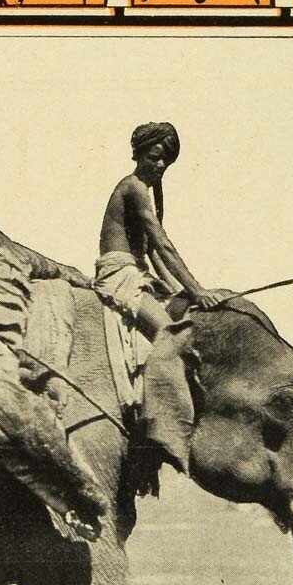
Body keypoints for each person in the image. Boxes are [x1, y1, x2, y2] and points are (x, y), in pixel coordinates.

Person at [95, 121, 228, 473]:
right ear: (138, 154)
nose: (160, 166)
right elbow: (163, 244)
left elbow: (153, 253)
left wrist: (181, 290)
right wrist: (198, 289)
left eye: (166, 161)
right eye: (155, 158)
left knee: (182, 311)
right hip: (120, 275)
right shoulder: (134, 188)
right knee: (171, 337)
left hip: (138, 273)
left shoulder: (148, 190)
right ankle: (154, 431)